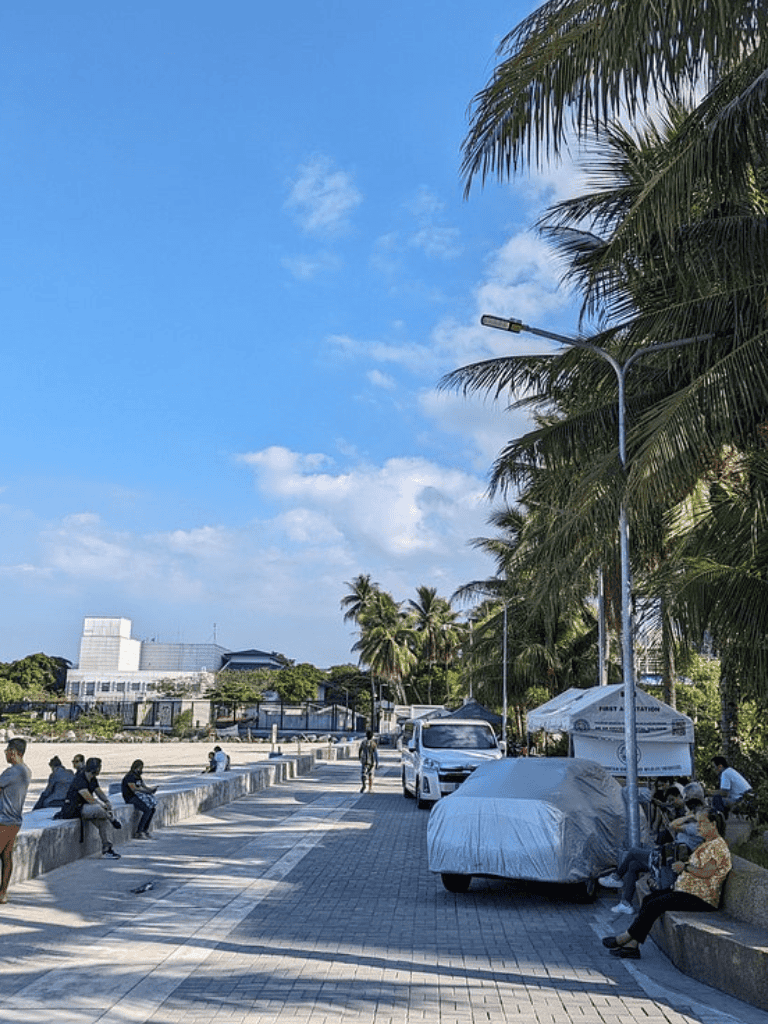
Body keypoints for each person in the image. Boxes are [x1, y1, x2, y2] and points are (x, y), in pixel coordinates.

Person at [602, 809, 730, 959]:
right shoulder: (708, 844)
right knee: (649, 899)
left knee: (654, 904)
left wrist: (685, 867)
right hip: (688, 892)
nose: (698, 827)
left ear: (713, 824)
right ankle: (632, 946)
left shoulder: (718, 847)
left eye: (702, 823)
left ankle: (624, 938)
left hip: (701, 898)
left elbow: (707, 872)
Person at [607, 797, 706, 914]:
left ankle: (616, 877)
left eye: (687, 811)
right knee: (634, 865)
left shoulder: (695, 827)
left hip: (668, 861)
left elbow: (672, 825)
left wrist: (690, 816)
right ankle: (626, 903)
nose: (684, 813)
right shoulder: (695, 827)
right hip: (668, 857)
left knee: (634, 852)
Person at [59, 757, 122, 859]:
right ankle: (113, 819)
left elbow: (98, 791)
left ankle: (107, 850)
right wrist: (102, 805)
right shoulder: (80, 778)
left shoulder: (92, 778)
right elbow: (89, 798)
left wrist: (107, 801)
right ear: (96, 769)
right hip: (74, 809)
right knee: (98, 809)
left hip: (86, 808)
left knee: (104, 822)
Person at [0, 738, 32, 903]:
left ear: (14, 752)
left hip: (3, 820)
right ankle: (3, 893)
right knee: (6, 856)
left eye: (7, 751)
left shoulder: (12, 772)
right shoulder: (26, 771)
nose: (5, 754)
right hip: (15, 821)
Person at [121, 759, 157, 839]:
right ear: (136, 768)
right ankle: (139, 832)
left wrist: (150, 790)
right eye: (140, 768)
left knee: (152, 809)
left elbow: (144, 786)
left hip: (138, 796)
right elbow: (134, 789)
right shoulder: (130, 776)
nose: (141, 770)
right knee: (147, 810)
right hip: (130, 797)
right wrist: (145, 790)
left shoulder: (138, 777)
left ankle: (145, 830)